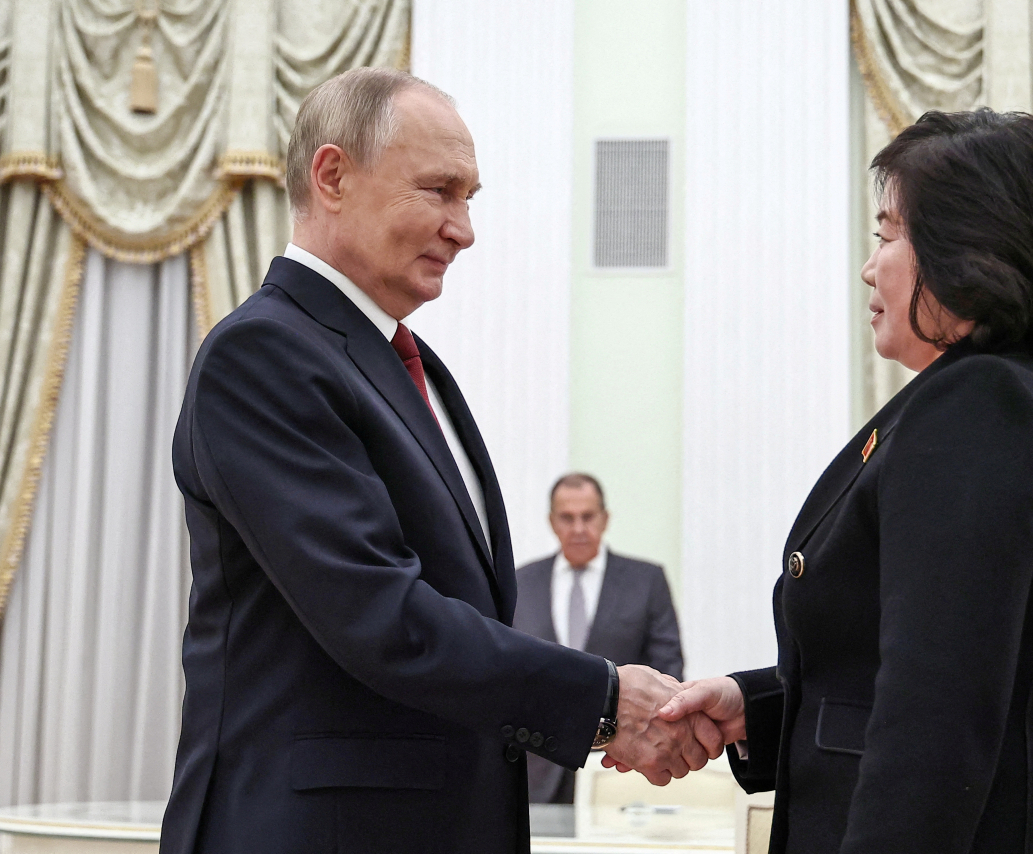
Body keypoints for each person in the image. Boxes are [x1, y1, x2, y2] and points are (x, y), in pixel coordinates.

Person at [159, 68, 717, 854]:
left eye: (470, 198)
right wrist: (603, 701)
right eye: (439, 190)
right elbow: (380, 616)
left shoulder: (412, 366)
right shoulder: (263, 355)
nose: (465, 228)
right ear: (332, 176)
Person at [655, 109, 1033, 853]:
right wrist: (760, 704)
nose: (872, 266)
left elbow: (935, 726)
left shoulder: (979, 408)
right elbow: (925, 670)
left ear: (967, 247)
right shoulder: (1013, 394)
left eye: (888, 234)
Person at [514, 473, 685, 803]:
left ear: (604, 519)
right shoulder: (522, 583)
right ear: (552, 522)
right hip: (534, 771)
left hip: (617, 772)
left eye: (588, 517)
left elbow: (669, 676)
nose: (578, 528)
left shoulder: (646, 581)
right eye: (567, 517)